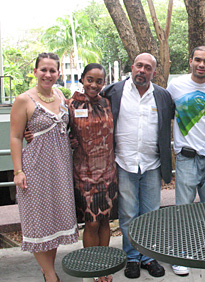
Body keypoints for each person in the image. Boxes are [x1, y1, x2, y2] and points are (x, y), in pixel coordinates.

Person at [101, 53, 174, 279]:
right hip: (123, 162)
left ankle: (148, 256)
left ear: (154, 72)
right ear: (132, 67)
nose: (142, 70)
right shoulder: (113, 92)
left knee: (150, 213)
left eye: (148, 67)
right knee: (128, 213)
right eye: (139, 66)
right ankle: (132, 257)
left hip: (152, 164)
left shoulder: (162, 96)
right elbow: (91, 109)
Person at [10, 52, 78, 282]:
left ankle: (47, 268)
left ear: (58, 73)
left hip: (60, 168)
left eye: (52, 70)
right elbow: (16, 137)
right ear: (35, 72)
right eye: (43, 70)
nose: (47, 74)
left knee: (54, 222)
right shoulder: (24, 100)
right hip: (35, 169)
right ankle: (50, 275)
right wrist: (18, 171)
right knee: (38, 223)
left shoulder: (60, 94)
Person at [166, 46, 205, 276]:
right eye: (198, 60)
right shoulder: (175, 86)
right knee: (183, 209)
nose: (202, 64)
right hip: (186, 157)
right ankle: (180, 254)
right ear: (190, 60)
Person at [68, 63, 118, 282]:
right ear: (82, 79)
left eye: (99, 81)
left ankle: (104, 267)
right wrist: (29, 133)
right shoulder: (70, 104)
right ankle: (92, 268)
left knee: (106, 221)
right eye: (90, 79)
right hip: (84, 173)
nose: (94, 85)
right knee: (91, 222)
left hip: (108, 172)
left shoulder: (107, 103)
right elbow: (54, 127)